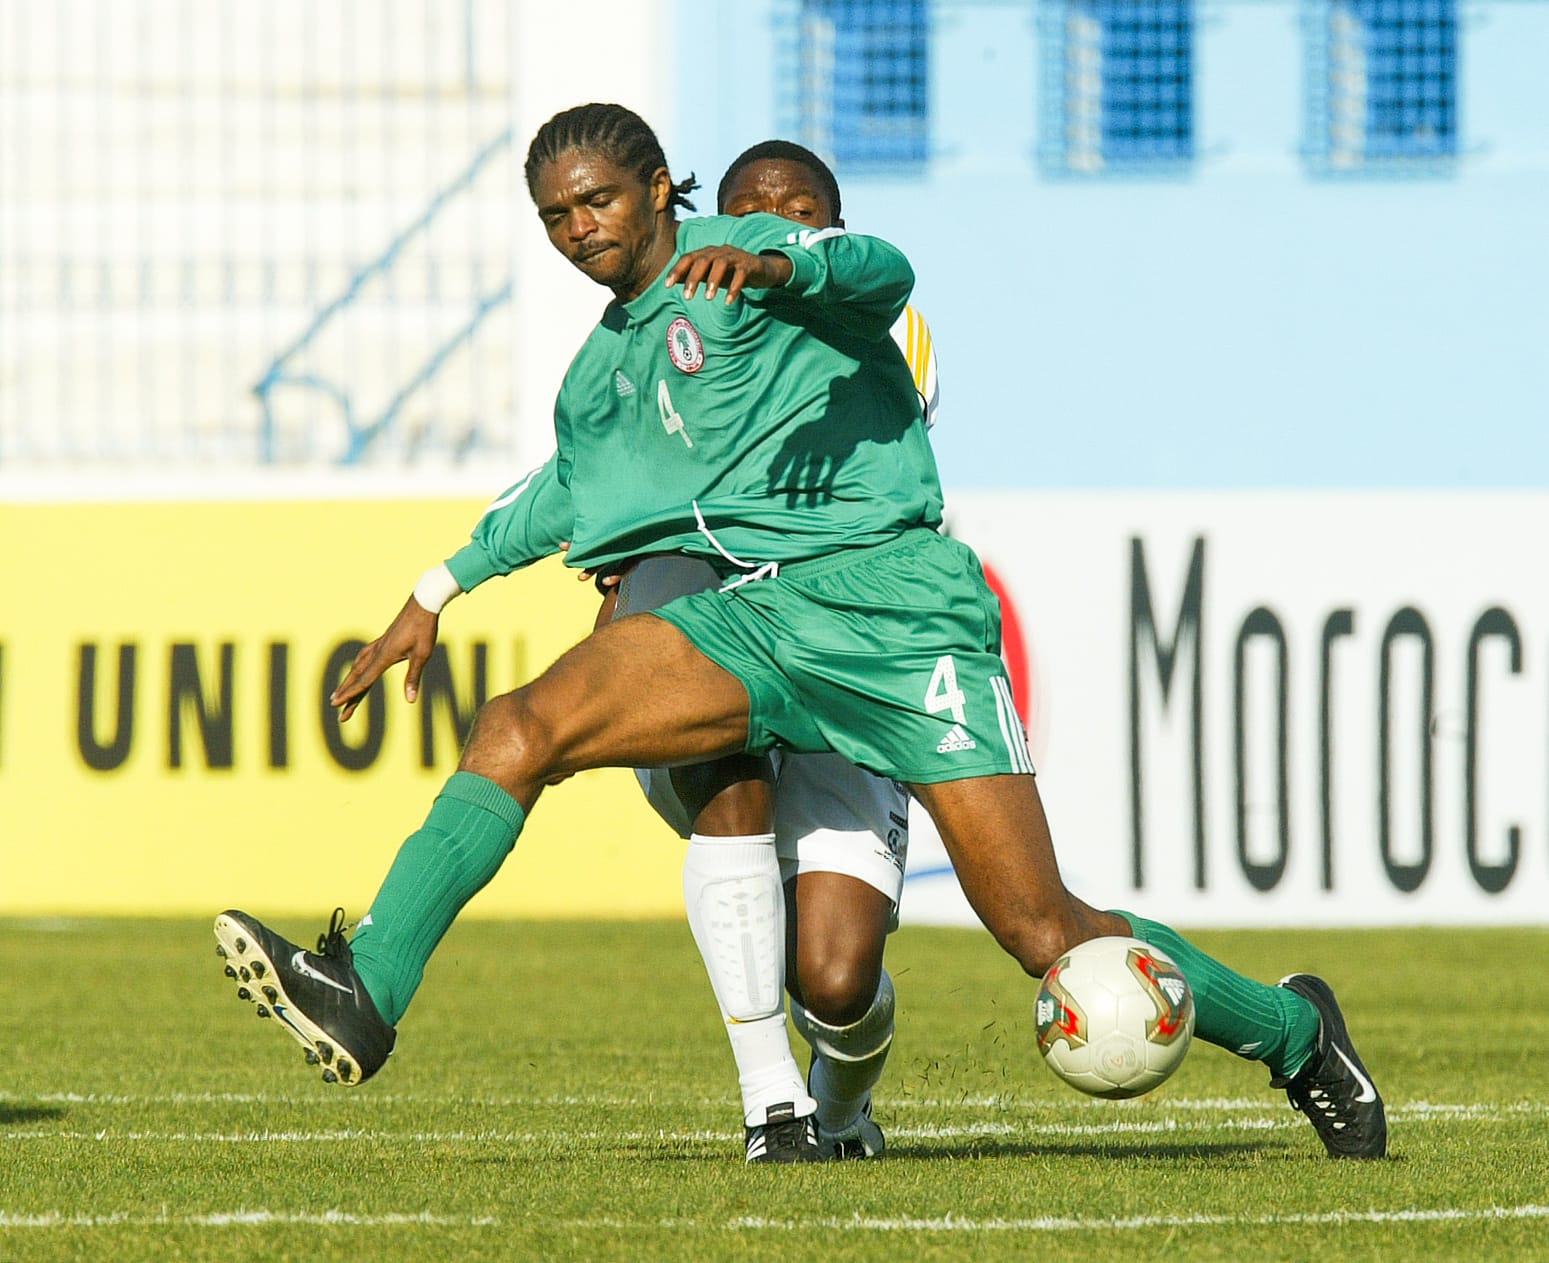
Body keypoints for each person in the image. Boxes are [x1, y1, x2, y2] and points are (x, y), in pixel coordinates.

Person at [214, 103, 1386, 1167]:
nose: (580, 229)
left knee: (1042, 928)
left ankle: (1294, 1032)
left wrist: (781, 258)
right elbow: (568, 491)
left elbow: (882, 270)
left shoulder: (780, 269)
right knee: (520, 724)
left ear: (660, 190)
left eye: (598, 201)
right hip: (757, 618)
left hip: (898, 615)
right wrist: (435, 590)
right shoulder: (604, 366)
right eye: (557, 216)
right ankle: (368, 986)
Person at [318, 139, 938, 1164]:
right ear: (709, 223)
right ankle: (773, 1106)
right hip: (730, 635)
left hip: (845, 643)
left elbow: (821, 377)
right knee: (696, 759)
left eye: (798, 216)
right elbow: (576, 480)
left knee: (835, 978)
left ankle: (839, 1107)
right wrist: (439, 588)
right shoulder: (638, 341)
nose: (772, 230)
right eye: (752, 215)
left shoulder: (869, 322)